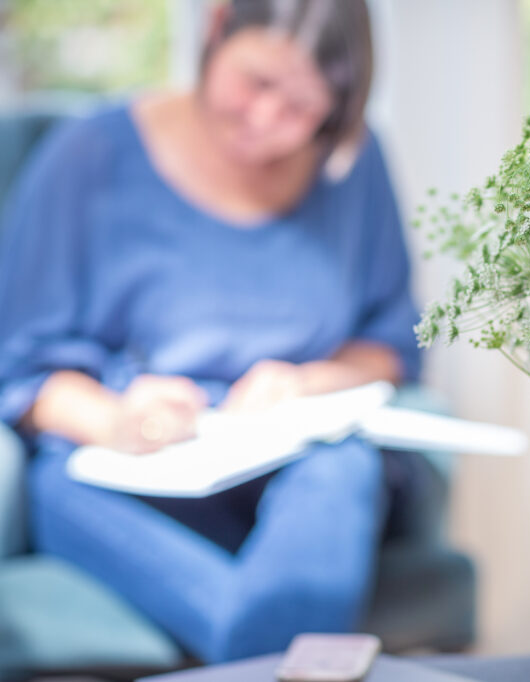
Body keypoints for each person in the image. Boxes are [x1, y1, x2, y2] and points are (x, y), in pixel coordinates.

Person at [0, 0, 421, 662]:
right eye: (257, 82)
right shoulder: (89, 158)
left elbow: (391, 347)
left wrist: (309, 381)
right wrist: (116, 421)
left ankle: (259, 656)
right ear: (217, 26)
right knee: (61, 488)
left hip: (294, 473)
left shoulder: (352, 163)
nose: (267, 120)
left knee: (343, 465)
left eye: (302, 108)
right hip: (127, 466)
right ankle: (286, 660)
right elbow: (21, 371)